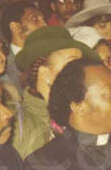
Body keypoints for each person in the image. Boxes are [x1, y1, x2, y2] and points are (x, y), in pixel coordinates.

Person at [11, 26, 92, 159]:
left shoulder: (79, 110)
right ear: (45, 74)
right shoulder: (18, 122)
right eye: (72, 63)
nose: (81, 70)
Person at [0, 1, 47, 91]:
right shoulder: (4, 66)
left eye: (43, 19)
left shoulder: (48, 55)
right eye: (35, 19)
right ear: (15, 27)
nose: (45, 24)